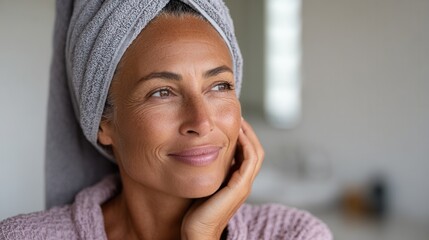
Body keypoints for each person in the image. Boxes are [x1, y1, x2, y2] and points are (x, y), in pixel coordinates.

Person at [0, 0, 332, 239]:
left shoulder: (293, 234)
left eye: (219, 86)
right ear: (103, 122)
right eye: (162, 92)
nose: (201, 122)